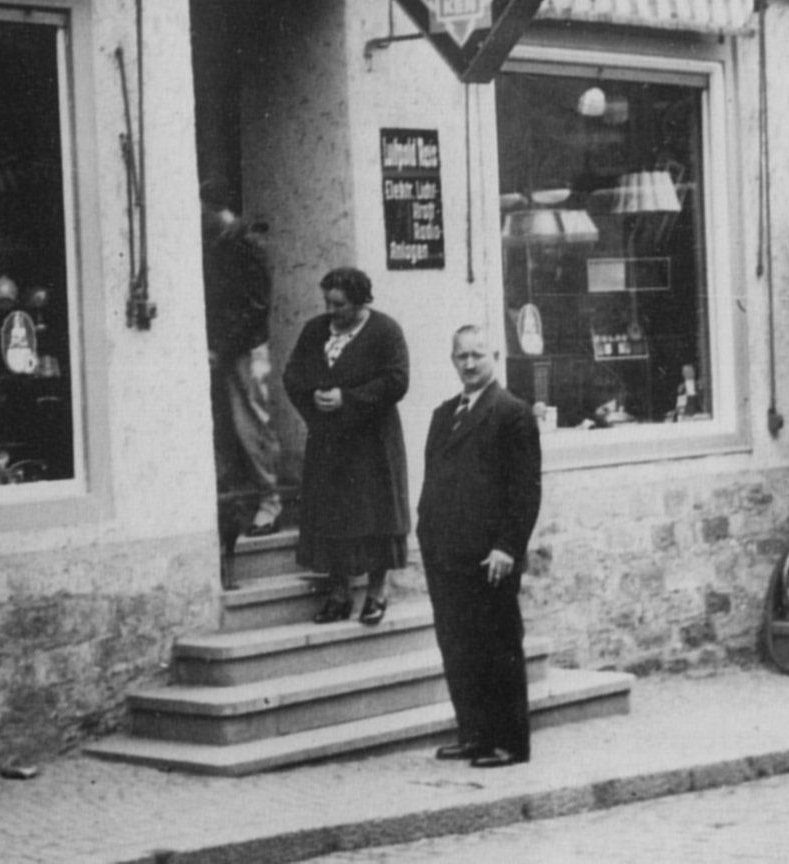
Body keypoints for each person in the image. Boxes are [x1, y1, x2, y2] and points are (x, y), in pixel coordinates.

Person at [417, 324, 542, 768]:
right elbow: (435, 482)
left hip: (490, 559)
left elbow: (525, 490)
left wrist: (507, 547)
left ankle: (510, 743)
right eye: (461, 356)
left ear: (494, 357)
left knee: (498, 650)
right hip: (447, 556)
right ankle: (473, 734)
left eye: (478, 355)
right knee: (458, 648)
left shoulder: (512, 413)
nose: (469, 364)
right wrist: (425, 536)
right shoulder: (444, 413)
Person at [283, 267, 410, 625]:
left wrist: (348, 399)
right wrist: (315, 402)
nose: (331, 310)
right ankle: (338, 595)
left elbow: (397, 380)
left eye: (339, 304)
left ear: (359, 302)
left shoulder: (385, 331)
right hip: (329, 443)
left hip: (373, 443)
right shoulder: (315, 331)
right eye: (327, 302)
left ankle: (375, 593)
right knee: (331, 516)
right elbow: (293, 375)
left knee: (376, 517)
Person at [202, 201, 284, 555]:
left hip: (245, 350)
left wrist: (222, 348)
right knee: (226, 423)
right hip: (222, 348)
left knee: (251, 422)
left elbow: (254, 308)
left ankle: (271, 499)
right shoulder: (214, 243)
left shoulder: (244, 245)